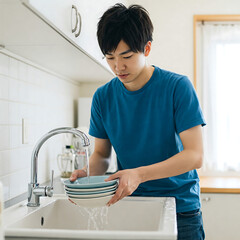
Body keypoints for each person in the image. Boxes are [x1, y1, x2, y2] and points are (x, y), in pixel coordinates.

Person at [70, 3, 206, 240]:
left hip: (179, 209)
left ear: (147, 48)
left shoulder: (177, 87)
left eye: (127, 56)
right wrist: (87, 173)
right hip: (130, 206)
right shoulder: (103, 97)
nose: (118, 67)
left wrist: (139, 174)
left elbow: (195, 155)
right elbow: (102, 154)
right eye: (110, 57)